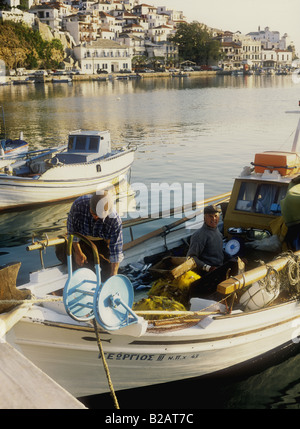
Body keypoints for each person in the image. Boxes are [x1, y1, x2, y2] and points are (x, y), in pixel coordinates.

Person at [56, 190, 124, 281]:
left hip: (102, 241)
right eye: (93, 213)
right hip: (81, 239)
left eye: (99, 216)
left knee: (109, 270)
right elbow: (72, 231)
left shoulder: (115, 220)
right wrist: (78, 252)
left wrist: (114, 273)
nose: (95, 217)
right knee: (83, 267)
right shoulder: (79, 204)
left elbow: (116, 251)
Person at [187, 204, 239, 297]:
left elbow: (219, 250)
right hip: (207, 274)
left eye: (216, 216)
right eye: (210, 216)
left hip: (219, 269)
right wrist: (208, 268)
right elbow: (191, 258)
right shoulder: (200, 235)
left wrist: (234, 259)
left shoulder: (217, 232)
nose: (214, 219)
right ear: (204, 218)